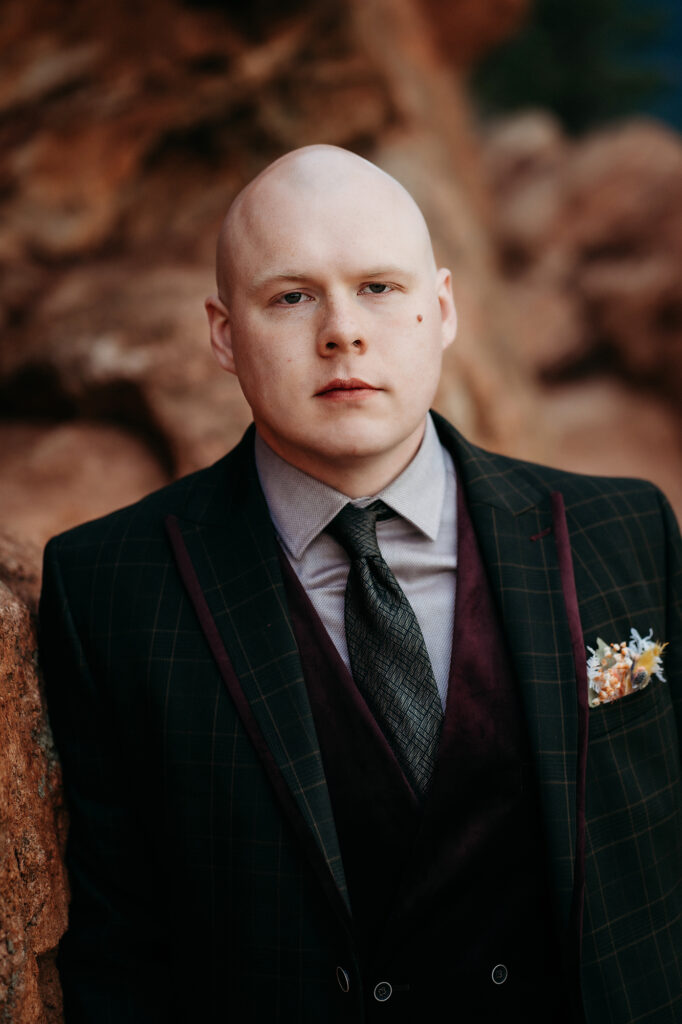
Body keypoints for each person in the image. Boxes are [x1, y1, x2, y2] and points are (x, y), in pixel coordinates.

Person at [39, 145, 682, 1024]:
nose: (342, 329)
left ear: (443, 309)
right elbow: (120, 947)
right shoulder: (107, 586)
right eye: (292, 296)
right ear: (225, 334)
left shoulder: (628, 530)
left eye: (379, 287)